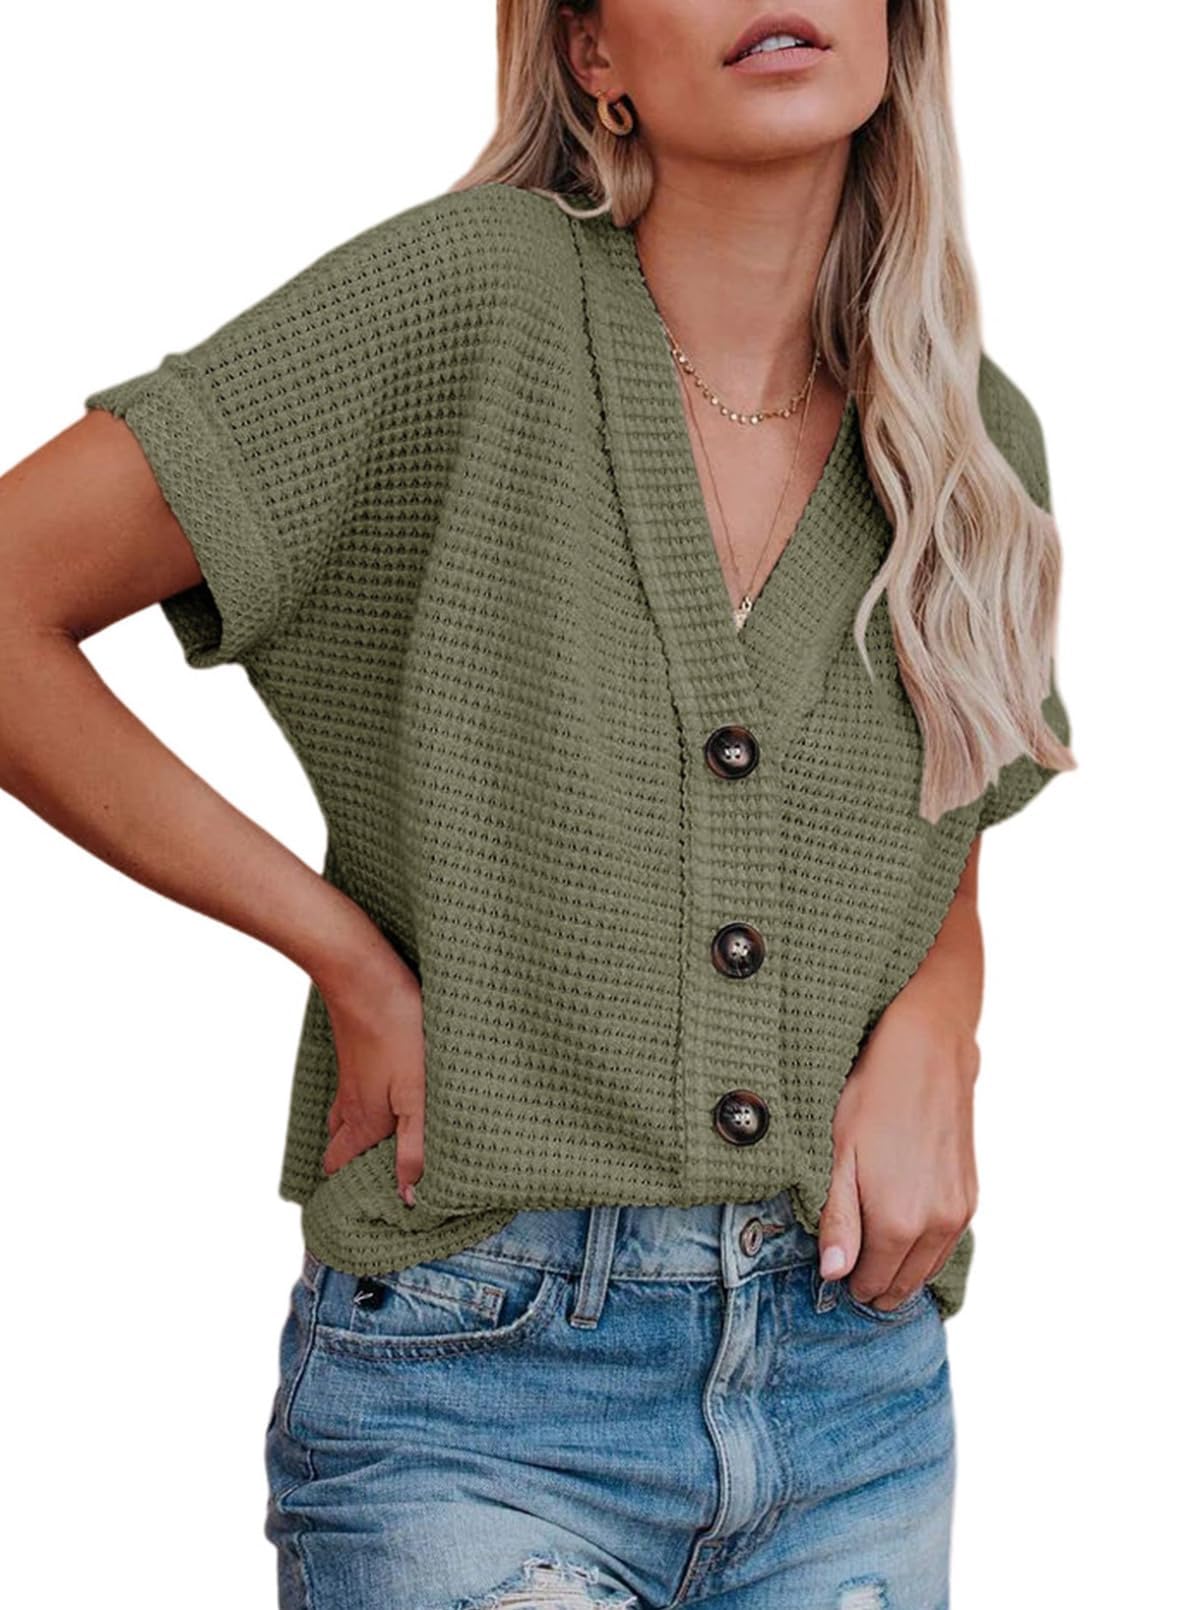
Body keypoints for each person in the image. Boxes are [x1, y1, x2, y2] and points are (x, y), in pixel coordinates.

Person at [0, 2, 1076, 1605]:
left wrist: (943, 1022)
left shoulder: (969, 438)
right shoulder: (471, 298)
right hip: (476, 1380)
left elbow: (940, 836)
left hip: (852, 1392)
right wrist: (345, 955)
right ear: (590, 58)